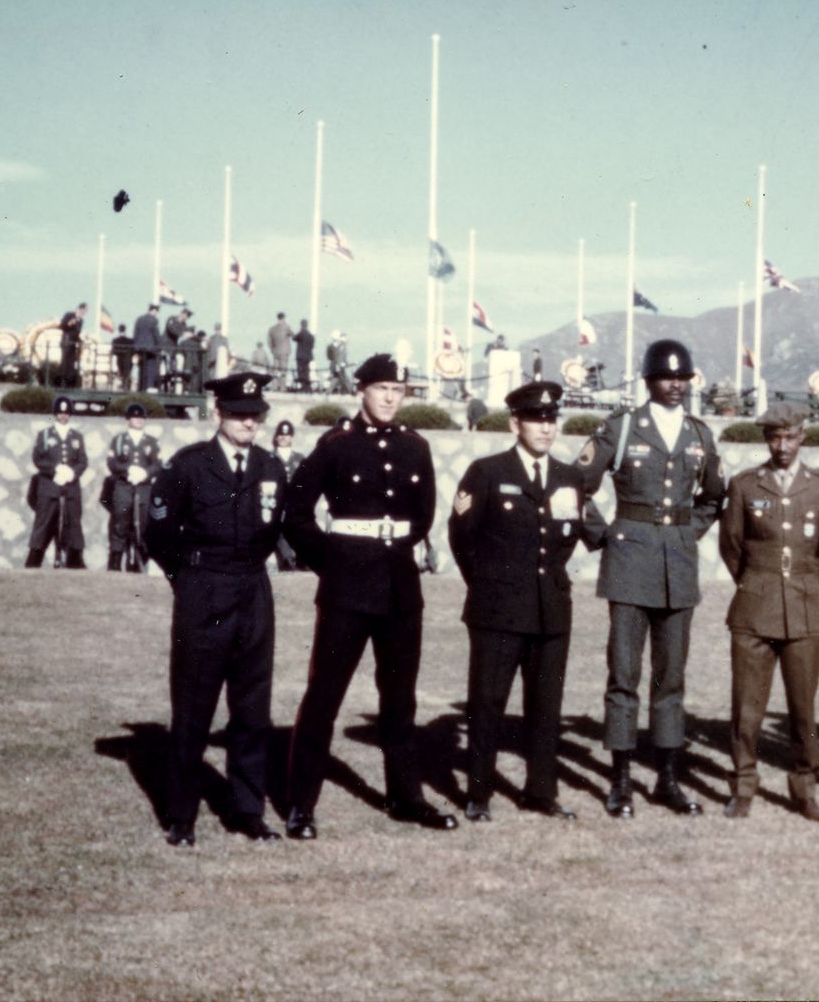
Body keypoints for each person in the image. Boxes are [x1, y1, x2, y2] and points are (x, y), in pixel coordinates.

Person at [283, 353, 456, 836]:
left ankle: (405, 797)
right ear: (361, 391)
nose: (388, 398)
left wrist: (395, 545)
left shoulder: (415, 448)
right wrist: (330, 559)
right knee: (324, 696)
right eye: (380, 388)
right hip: (347, 588)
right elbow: (295, 512)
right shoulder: (336, 445)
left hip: (400, 589)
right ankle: (301, 804)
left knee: (400, 701)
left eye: (397, 391)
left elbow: (422, 516)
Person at [575, 338, 725, 818]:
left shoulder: (700, 435)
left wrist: (685, 534)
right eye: (666, 377)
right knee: (624, 676)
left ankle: (668, 779)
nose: (676, 385)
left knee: (672, 679)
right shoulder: (620, 429)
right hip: (629, 564)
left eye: (683, 377)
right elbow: (575, 488)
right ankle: (619, 781)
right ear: (648, 380)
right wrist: (605, 536)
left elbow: (713, 497)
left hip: (677, 567)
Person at [145, 372, 287, 847]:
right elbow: (160, 536)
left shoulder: (270, 467)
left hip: (254, 590)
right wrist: (189, 582)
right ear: (217, 414)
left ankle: (247, 811)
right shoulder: (189, 465)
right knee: (193, 706)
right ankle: (181, 815)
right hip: (204, 589)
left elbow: (274, 529)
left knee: (252, 708)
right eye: (239, 414)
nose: (249, 422)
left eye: (255, 415)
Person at [448, 382, 596, 822]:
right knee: (487, 702)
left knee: (546, 707)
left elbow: (567, 538)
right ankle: (478, 793)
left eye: (552, 420)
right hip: (497, 609)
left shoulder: (569, 477)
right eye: (536, 420)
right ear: (516, 423)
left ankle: (540, 791)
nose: (546, 429)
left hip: (550, 608)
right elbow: (463, 539)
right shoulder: (487, 472)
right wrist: (491, 585)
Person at [718, 401, 819, 822]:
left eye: (790, 436)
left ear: (803, 437)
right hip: (754, 608)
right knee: (747, 707)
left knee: (803, 708)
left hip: (804, 610)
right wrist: (757, 583)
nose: (783, 445)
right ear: (766, 439)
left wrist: (806, 583)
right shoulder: (745, 485)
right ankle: (743, 786)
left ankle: (805, 787)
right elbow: (731, 545)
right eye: (775, 436)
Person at [25, 395, 88, 569]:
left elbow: (83, 461)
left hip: (70, 489)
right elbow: (37, 459)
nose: (63, 415)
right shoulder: (44, 435)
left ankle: (75, 563)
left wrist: (72, 473)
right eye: (60, 412)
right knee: (43, 525)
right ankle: (33, 563)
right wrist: (55, 471)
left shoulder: (76, 436)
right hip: (49, 488)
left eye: (67, 412)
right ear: (55, 414)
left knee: (73, 525)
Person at [105, 401, 161, 572]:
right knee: (120, 524)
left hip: (144, 488)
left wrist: (145, 473)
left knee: (143, 524)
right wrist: (128, 470)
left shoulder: (151, 441)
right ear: (128, 419)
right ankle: (115, 562)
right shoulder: (120, 440)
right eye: (134, 417)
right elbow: (112, 462)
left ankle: (139, 562)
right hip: (124, 487)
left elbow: (158, 463)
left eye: (141, 417)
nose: (138, 420)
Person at [270, 420, 305, 572]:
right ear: (276, 437)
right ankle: (286, 559)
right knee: (279, 527)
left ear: (292, 437)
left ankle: (302, 559)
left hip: (295, 501)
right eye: (281, 435)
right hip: (275, 500)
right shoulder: (269, 457)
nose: (284, 438)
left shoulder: (299, 458)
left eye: (287, 435)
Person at [133, 304, 162, 391]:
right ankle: (149, 386)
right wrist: (159, 347)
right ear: (154, 311)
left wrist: (135, 347)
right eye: (156, 311)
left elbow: (135, 333)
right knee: (150, 367)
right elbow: (156, 335)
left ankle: (141, 386)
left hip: (139, 347)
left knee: (141, 367)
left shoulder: (139, 319)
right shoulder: (153, 320)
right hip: (150, 348)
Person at [58, 303, 87, 388]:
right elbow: (62, 326)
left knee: (71, 363)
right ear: (79, 309)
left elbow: (77, 332)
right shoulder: (69, 315)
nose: (83, 313)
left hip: (74, 344)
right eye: (83, 311)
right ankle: (61, 381)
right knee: (65, 362)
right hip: (66, 341)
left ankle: (69, 381)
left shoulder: (81, 320)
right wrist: (71, 322)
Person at [268, 313, 293, 386]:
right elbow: (293, 335)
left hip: (275, 352)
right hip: (284, 352)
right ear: (284, 318)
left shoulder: (272, 329)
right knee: (283, 370)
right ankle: (282, 387)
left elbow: (269, 341)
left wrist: (272, 349)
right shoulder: (286, 327)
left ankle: (275, 386)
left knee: (275, 370)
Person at [293, 319, 316, 392]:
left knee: (301, 371)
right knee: (306, 371)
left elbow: (294, 338)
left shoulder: (301, 333)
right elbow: (312, 346)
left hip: (301, 356)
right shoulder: (311, 335)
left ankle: (303, 386)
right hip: (308, 356)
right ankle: (307, 386)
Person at [111, 324, 135, 391]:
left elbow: (114, 351)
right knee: (127, 374)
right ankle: (126, 385)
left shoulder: (115, 340)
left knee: (122, 373)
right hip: (128, 361)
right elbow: (133, 351)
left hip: (120, 361)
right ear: (125, 330)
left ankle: (123, 384)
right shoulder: (130, 341)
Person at [326, 330, 350, 394]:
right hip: (339, 366)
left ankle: (328, 392)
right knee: (344, 380)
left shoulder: (340, 346)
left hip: (337, 366)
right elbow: (339, 357)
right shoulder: (341, 346)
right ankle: (349, 392)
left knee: (336, 379)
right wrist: (339, 365)